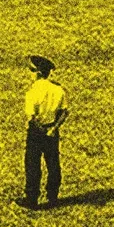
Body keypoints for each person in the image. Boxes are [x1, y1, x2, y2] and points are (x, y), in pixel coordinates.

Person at [20, 55, 69, 210]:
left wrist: (41, 131)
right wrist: (53, 129)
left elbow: (32, 118)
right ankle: (53, 196)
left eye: (31, 70)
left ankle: (32, 198)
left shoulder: (32, 92)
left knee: (32, 165)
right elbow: (64, 112)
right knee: (53, 163)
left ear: (38, 73)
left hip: (36, 133)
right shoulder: (59, 90)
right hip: (52, 130)